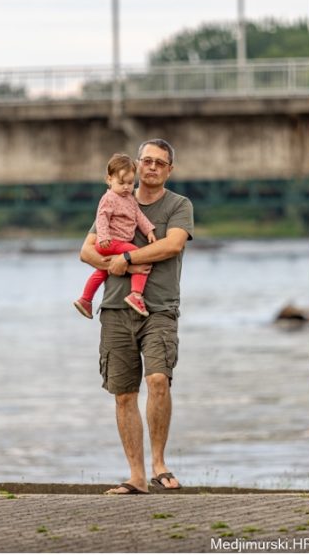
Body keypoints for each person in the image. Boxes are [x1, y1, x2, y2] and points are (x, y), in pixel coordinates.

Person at [78, 138, 193, 494]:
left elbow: (172, 244)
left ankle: (159, 465)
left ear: (169, 170)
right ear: (138, 165)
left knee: (158, 379)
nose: (152, 167)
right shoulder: (115, 198)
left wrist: (127, 258)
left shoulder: (178, 205)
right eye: (147, 160)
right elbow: (86, 251)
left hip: (159, 308)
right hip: (115, 309)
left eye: (160, 162)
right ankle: (137, 477)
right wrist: (121, 265)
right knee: (124, 394)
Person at [73, 153, 158, 319]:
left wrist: (149, 230)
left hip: (115, 243)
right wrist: (104, 236)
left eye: (130, 183)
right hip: (111, 242)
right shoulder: (109, 198)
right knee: (141, 257)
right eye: (121, 183)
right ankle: (136, 295)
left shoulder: (130, 199)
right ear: (109, 180)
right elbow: (102, 218)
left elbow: (139, 216)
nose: (126, 187)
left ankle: (85, 300)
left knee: (102, 272)